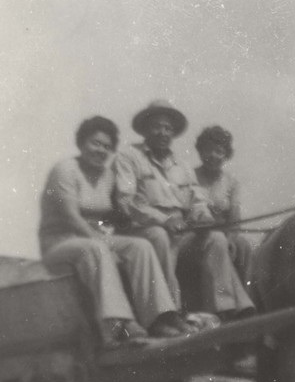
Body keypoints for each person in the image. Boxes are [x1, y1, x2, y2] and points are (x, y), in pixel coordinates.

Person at [39, 116, 191, 350]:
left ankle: (159, 318)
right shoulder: (65, 170)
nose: (101, 150)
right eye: (95, 143)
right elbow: (71, 216)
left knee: (140, 246)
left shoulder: (107, 176)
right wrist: (100, 240)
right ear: (81, 143)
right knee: (96, 248)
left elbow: (119, 212)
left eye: (107, 147)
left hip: (93, 240)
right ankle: (119, 325)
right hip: (60, 243)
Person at [114, 100, 255, 320]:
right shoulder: (128, 156)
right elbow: (126, 201)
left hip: (181, 230)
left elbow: (197, 199)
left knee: (216, 238)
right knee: (161, 237)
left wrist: (204, 218)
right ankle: (170, 313)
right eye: (157, 126)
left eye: (168, 128)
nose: (163, 132)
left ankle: (225, 309)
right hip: (148, 228)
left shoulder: (182, 165)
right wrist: (163, 220)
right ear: (145, 129)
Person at [193, 125, 253, 287]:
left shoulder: (232, 182)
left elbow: (235, 218)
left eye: (219, 151)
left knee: (243, 245)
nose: (213, 156)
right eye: (208, 150)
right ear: (200, 152)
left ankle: (247, 295)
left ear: (226, 155)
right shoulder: (190, 176)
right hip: (196, 234)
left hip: (224, 234)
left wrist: (231, 240)